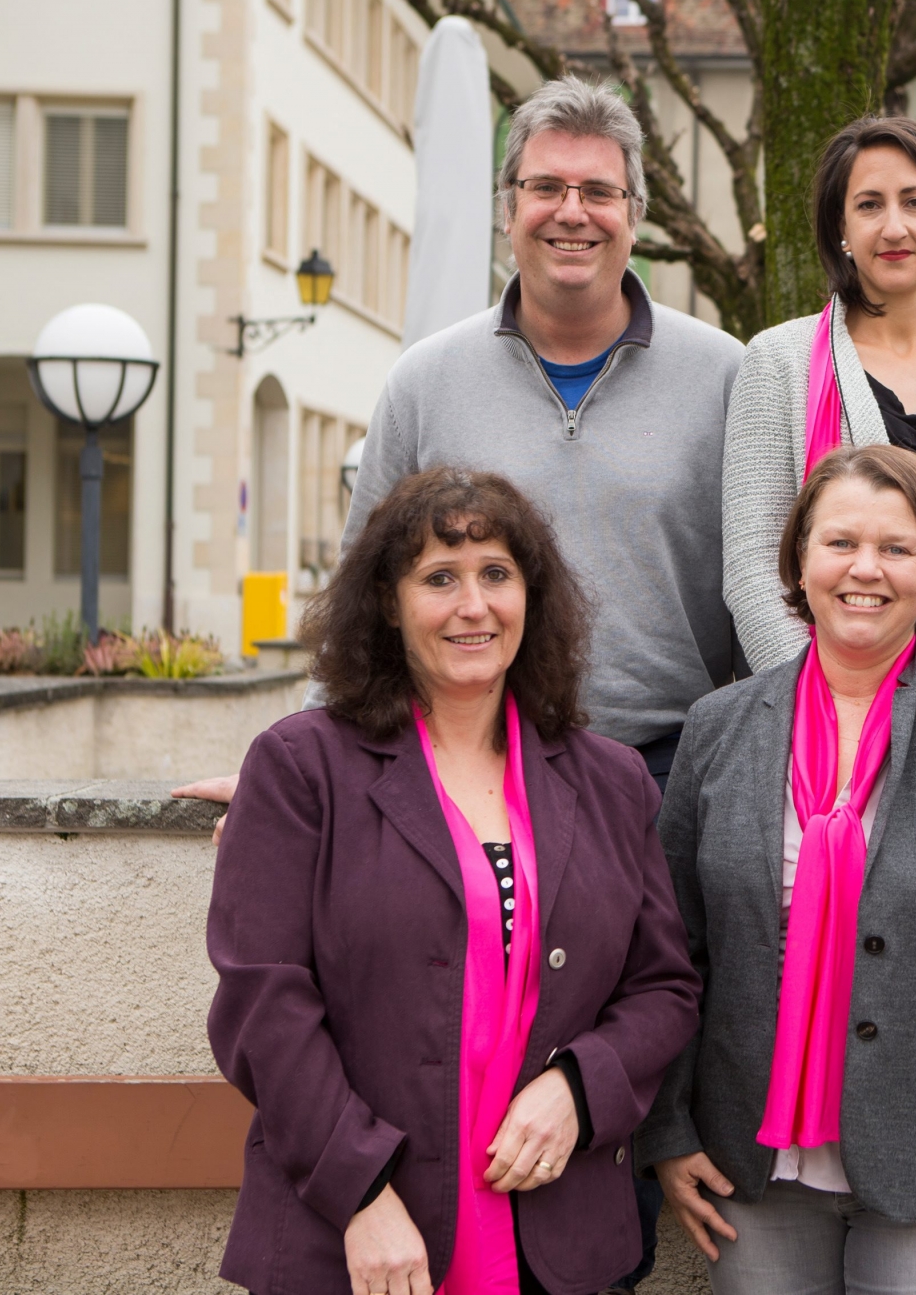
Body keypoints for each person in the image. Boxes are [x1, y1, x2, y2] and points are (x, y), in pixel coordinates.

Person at [179, 75, 741, 1291]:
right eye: (546, 186)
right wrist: (312, 768)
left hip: (645, 773)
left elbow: (763, 584)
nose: (571, 210)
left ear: (635, 209)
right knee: (421, 1028)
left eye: (598, 188)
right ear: (506, 207)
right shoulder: (426, 379)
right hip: (423, 754)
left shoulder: (727, 375)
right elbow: (363, 586)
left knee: (632, 1029)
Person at [207, 467, 700, 1295]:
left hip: (560, 1236)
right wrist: (361, 1194)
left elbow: (664, 988)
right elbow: (264, 1007)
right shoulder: (301, 767)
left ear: (530, 598)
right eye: (440, 577)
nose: (473, 605)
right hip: (358, 1243)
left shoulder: (611, 779)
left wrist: (581, 1088)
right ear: (388, 604)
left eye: (496, 575)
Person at [639, 444, 916, 1294]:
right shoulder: (716, 728)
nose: (864, 569)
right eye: (838, 542)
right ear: (798, 562)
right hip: (750, 1165)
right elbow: (670, 951)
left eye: (897, 548)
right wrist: (667, 1129)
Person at [723, 117, 916, 704]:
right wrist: (823, 703)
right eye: (869, 204)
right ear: (840, 228)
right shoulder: (777, 363)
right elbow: (753, 566)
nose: (894, 226)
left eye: (915, 202)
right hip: (825, 707)